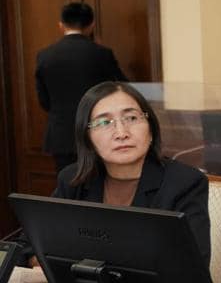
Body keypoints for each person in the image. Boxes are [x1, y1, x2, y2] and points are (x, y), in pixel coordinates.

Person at [52, 81, 210, 264]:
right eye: (104, 122)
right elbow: (34, 245)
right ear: (87, 139)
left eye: (132, 118)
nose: (121, 133)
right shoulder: (73, 180)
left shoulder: (185, 183)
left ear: (151, 129)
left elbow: (191, 265)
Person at [35, 2, 127, 174]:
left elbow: (44, 100)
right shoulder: (102, 53)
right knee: (99, 182)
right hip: (98, 130)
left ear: (61, 25)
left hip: (61, 136)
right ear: (92, 25)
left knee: (67, 183)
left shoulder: (44, 55)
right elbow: (123, 89)